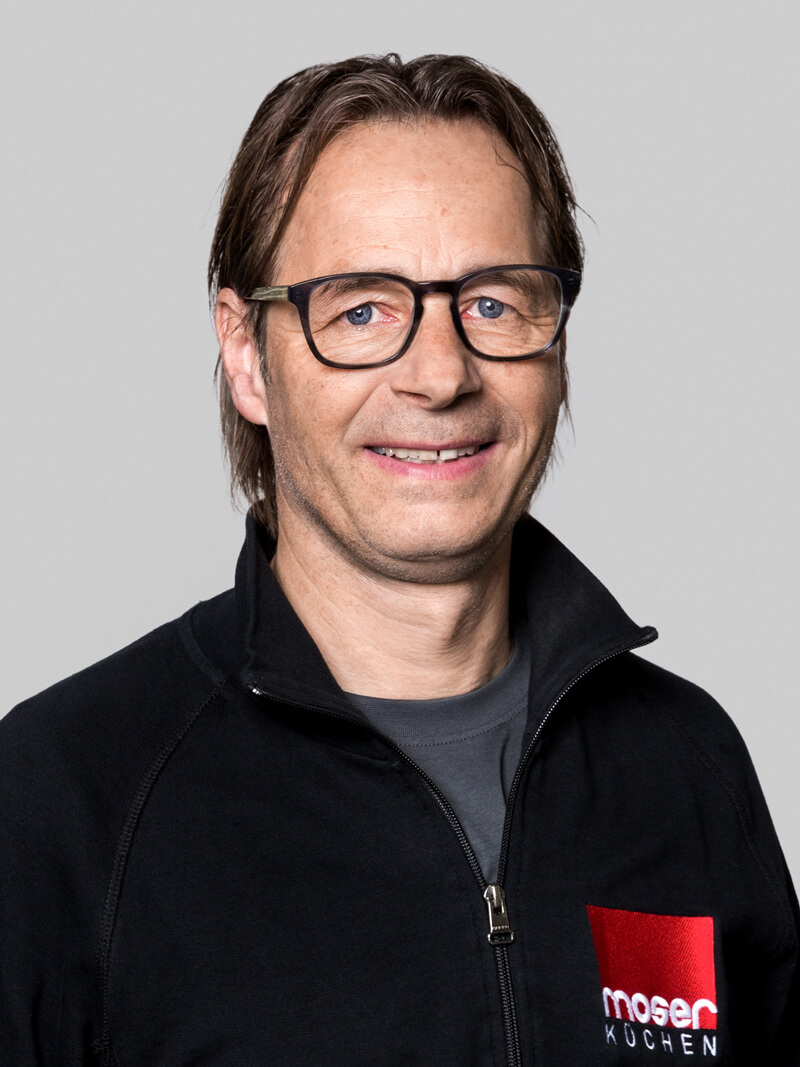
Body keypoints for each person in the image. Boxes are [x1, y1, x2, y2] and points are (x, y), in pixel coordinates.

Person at [1, 53, 797, 1067]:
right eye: (362, 310)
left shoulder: (687, 763)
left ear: (557, 342)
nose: (440, 373)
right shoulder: (65, 799)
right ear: (247, 356)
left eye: (494, 302)